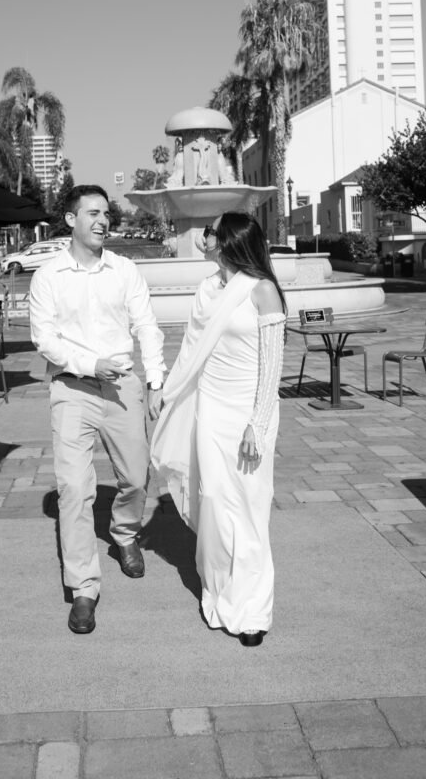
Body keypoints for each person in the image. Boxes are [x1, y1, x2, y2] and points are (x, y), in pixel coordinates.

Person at [29, 184, 165, 636]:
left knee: (135, 476)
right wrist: (90, 363)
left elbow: (146, 324)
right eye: (92, 212)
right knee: (73, 489)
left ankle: (124, 535)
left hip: (123, 388)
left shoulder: (124, 270)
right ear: (70, 219)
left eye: (106, 212)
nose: (103, 220)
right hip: (72, 389)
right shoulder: (48, 276)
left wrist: (156, 379)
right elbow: (44, 339)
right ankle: (84, 588)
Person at [151, 212, 287, 647]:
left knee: (249, 505)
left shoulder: (262, 290)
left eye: (210, 231)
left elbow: (272, 368)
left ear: (227, 241)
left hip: (249, 412)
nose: (203, 236)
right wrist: (167, 391)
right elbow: (192, 350)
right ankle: (218, 591)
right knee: (214, 501)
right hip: (211, 408)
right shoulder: (208, 289)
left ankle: (252, 611)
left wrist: (257, 424)